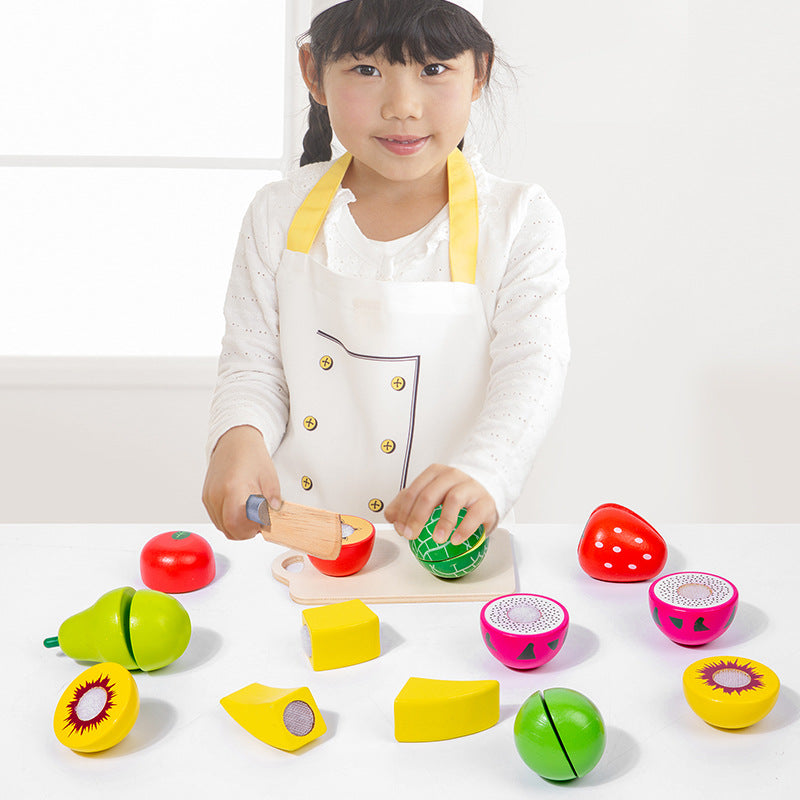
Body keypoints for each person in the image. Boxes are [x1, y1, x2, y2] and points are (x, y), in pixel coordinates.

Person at [202, 0, 569, 548]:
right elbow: (254, 364)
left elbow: (533, 368)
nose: (403, 107)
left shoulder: (518, 218)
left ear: (479, 73)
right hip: (304, 544)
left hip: (450, 545)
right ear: (313, 72)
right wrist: (238, 435)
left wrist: (489, 470)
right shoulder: (277, 212)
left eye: (434, 68)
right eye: (366, 69)